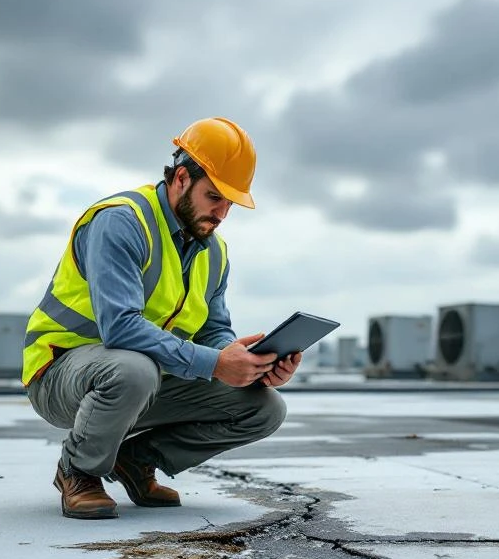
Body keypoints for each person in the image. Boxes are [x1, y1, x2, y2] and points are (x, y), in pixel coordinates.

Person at [22, 117, 300, 519]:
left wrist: (249, 363)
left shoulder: (213, 251)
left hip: (142, 377)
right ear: (182, 179)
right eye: (214, 197)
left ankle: (135, 460)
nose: (222, 213)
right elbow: (119, 327)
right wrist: (213, 364)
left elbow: (213, 329)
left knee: (265, 408)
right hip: (61, 373)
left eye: (230, 204)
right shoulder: (122, 221)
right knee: (133, 369)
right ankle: (78, 470)